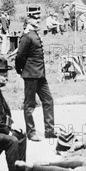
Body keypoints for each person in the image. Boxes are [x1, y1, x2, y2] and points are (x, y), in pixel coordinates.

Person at [15, 11, 56, 141]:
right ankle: (31, 133)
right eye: (35, 18)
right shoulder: (27, 36)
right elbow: (20, 56)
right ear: (28, 19)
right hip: (31, 74)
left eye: (39, 17)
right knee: (29, 104)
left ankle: (49, 131)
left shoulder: (34, 34)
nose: (38, 20)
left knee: (48, 100)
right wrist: (20, 70)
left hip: (40, 75)